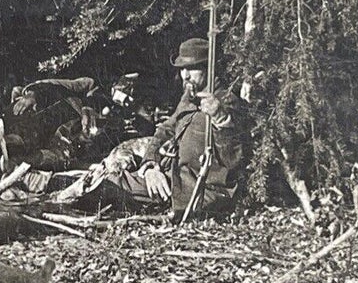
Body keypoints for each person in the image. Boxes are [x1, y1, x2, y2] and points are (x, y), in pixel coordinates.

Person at [99, 37, 251, 216]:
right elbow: (166, 130)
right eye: (182, 69)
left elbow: (233, 162)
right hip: (168, 174)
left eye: (191, 68)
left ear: (208, 69)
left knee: (107, 185)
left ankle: (59, 198)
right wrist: (150, 166)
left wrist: (220, 118)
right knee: (101, 174)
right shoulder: (190, 97)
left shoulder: (226, 102)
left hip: (194, 190)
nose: (185, 75)